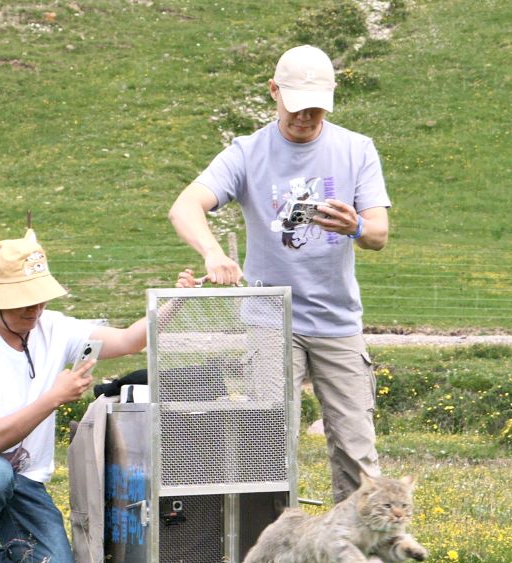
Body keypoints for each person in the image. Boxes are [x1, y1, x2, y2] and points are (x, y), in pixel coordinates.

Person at [168, 46, 392, 535]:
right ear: (274, 92)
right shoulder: (247, 152)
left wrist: (355, 226)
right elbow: (185, 206)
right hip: (271, 321)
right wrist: (212, 252)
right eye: (296, 106)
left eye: (316, 107)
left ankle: (364, 552)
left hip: (337, 323)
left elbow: (378, 233)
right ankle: (266, 549)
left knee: (356, 446)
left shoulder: (357, 149)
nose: (306, 117)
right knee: (269, 442)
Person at [0, 228, 195, 563]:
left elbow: (131, 340)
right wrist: (54, 397)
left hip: (23, 478)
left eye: (40, 300)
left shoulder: (55, 328)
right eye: (24, 301)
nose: (35, 310)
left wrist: (173, 302)